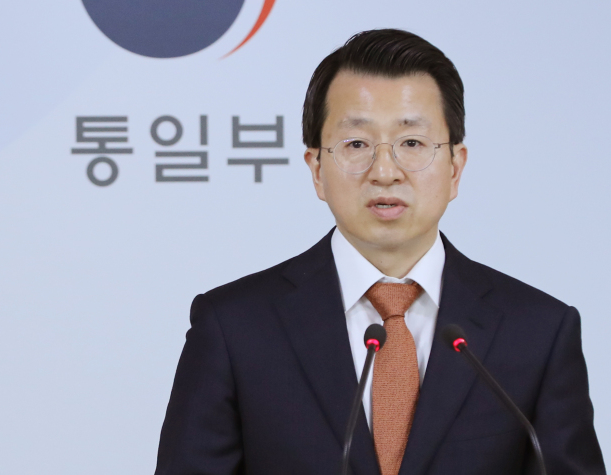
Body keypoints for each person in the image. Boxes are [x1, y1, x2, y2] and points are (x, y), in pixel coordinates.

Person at [154, 29, 605, 475]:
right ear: (316, 169)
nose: (385, 171)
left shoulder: (538, 332)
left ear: (455, 167)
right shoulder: (234, 329)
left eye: (412, 143)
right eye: (356, 144)